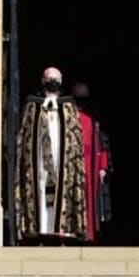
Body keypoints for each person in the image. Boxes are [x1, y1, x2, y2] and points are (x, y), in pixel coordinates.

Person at [14, 66, 88, 242]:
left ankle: (63, 230)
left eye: (56, 78)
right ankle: (39, 229)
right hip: (39, 160)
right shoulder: (32, 103)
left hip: (63, 160)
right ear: (43, 80)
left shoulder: (69, 104)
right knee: (39, 190)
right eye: (49, 78)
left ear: (61, 81)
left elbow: (75, 136)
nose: (52, 82)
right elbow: (25, 134)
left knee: (61, 191)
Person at [71, 81, 111, 242]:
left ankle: (91, 234)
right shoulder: (69, 115)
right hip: (74, 163)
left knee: (92, 201)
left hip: (92, 164)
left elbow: (101, 143)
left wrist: (102, 166)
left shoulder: (93, 115)